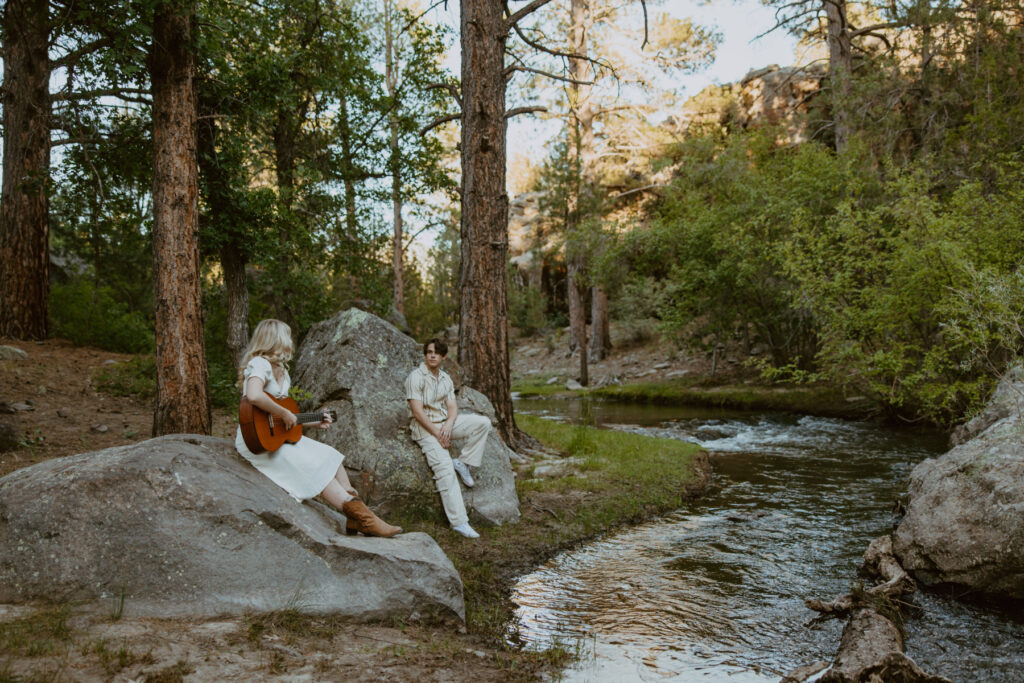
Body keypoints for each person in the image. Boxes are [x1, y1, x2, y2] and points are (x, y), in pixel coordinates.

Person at [235, 319, 401, 538]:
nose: (290, 342)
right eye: (287, 336)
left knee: (332, 458)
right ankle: (365, 519)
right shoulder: (260, 363)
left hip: (274, 437)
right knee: (314, 468)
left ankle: (358, 518)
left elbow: (282, 417)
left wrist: (314, 420)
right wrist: (284, 413)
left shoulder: (283, 370)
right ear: (276, 339)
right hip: (256, 440)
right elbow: (254, 396)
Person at [405, 338, 492, 539]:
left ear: (443, 356)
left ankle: (463, 463)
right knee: (444, 470)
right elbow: (417, 413)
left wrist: (448, 426)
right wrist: (438, 435)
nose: (432, 355)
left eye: (436, 352)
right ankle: (459, 522)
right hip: (425, 430)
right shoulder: (415, 377)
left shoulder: (445, 378)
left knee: (483, 423)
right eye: (428, 352)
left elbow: (452, 408)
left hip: (444, 424)